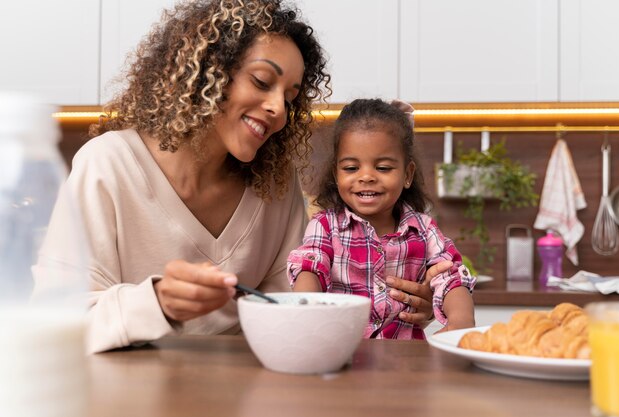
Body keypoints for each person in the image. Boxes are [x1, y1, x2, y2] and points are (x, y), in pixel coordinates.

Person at [32, 0, 441, 353]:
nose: (278, 109)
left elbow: (299, 311)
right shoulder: (108, 165)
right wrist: (157, 302)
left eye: (290, 97)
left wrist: (398, 307)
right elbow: (59, 322)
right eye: (262, 81)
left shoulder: (275, 187)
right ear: (209, 71)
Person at [288, 98, 476, 339]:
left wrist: (461, 320)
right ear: (336, 174)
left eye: (383, 168)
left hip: (406, 364)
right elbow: (310, 268)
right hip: (342, 355)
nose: (366, 176)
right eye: (351, 168)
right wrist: (307, 312)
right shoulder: (324, 226)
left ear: (407, 175)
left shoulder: (424, 229)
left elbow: (450, 276)